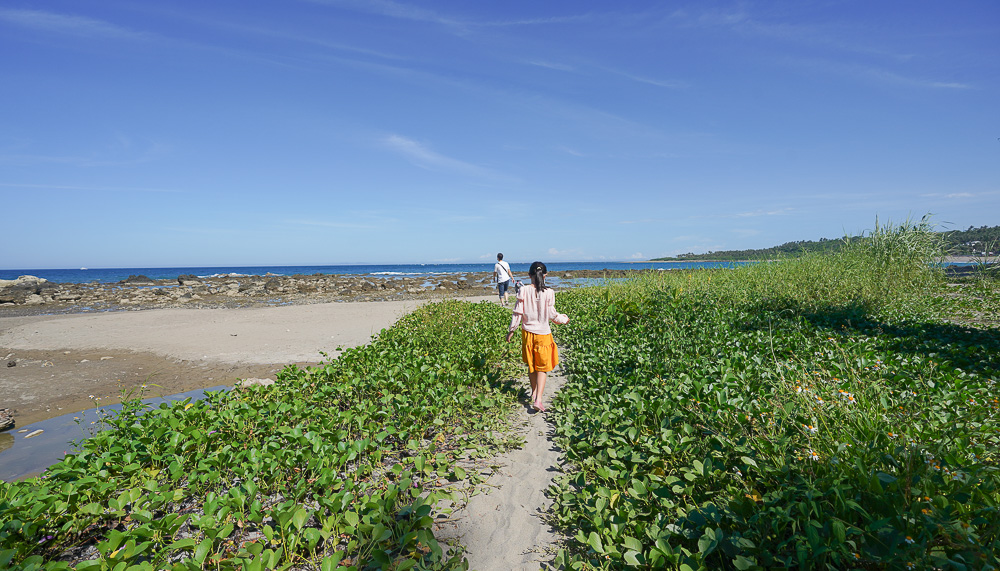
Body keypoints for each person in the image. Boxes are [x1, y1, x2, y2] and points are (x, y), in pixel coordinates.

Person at [505, 261, 569, 412]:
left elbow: (517, 313)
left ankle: (534, 393)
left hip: (527, 334)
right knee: (542, 368)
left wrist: (511, 330)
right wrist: (564, 319)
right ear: (545, 276)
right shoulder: (549, 292)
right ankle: (538, 399)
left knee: (532, 365)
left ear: (529, 276)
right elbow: (553, 315)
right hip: (543, 334)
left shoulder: (523, 290)